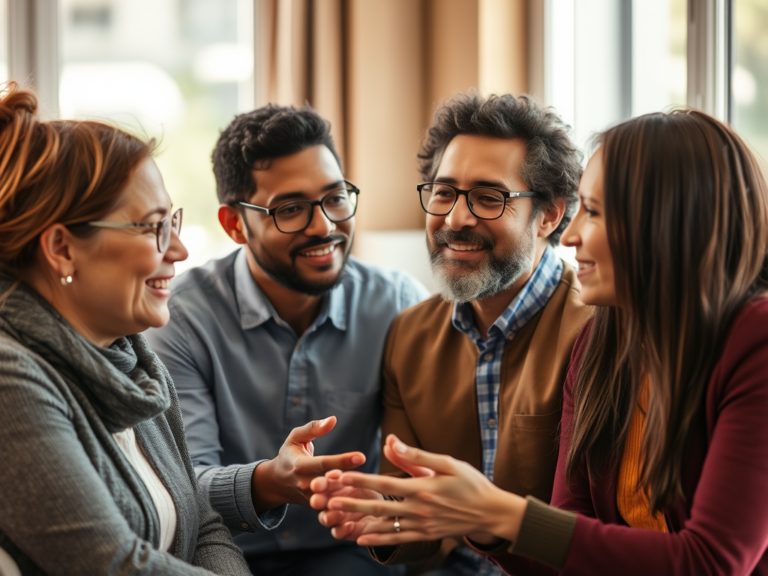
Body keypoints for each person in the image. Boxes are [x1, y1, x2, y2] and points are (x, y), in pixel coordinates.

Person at [312, 109, 768, 575]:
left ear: (666, 221)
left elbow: (710, 562)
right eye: (444, 193)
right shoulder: (604, 341)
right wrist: (414, 516)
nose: (572, 235)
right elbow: (569, 550)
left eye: (592, 212)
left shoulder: (750, 341)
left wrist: (494, 513)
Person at [311, 93, 591, 575]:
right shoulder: (411, 335)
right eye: (443, 193)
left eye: (488, 197)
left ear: (548, 215)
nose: (456, 219)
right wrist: (383, 521)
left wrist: (483, 523)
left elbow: (595, 531)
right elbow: (419, 530)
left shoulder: (597, 330)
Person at [144, 103, 428, 575]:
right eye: (290, 209)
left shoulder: (397, 305)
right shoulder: (181, 318)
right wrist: (265, 484)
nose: (324, 226)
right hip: (225, 551)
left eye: (335, 198)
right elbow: (180, 487)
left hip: (353, 552)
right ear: (235, 224)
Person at [0, 83, 251, 575]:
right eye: (154, 226)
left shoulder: (137, 363)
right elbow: (114, 565)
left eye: (172, 221)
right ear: (62, 249)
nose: (177, 251)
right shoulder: (11, 379)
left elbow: (204, 525)